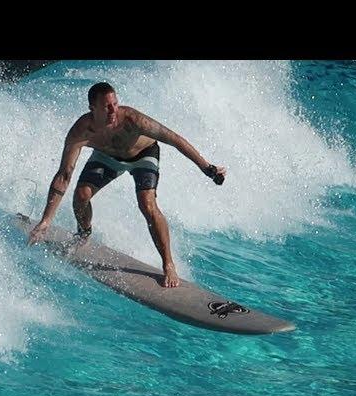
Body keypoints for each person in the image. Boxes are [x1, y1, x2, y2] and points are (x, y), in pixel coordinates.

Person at [28, 82, 226, 288]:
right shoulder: (81, 131)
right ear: (92, 109)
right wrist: (45, 221)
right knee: (81, 195)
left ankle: (168, 264)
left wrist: (207, 168)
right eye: (107, 107)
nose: (114, 110)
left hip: (143, 156)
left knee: (147, 204)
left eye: (115, 103)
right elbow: (64, 174)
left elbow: (175, 139)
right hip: (107, 157)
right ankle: (84, 233)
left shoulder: (133, 120)